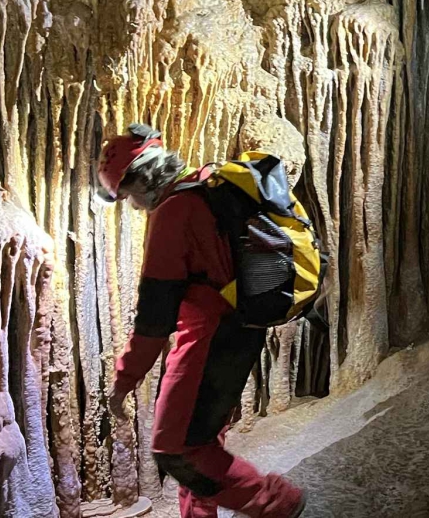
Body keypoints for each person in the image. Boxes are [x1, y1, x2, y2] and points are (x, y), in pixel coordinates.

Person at [99, 125, 305, 518]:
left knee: (177, 449)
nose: (133, 206)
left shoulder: (173, 212)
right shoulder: (204, 187)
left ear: (140, 180)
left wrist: (124, 380)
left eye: (127, 195)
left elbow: (154, 318)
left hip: (210, 339)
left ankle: (277, 500)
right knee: (203, 442)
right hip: (240, 332)